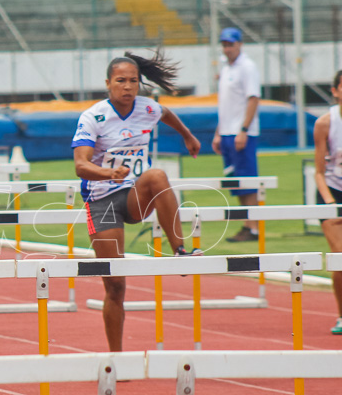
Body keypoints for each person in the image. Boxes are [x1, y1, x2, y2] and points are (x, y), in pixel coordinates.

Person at [71, 51, 203, 352]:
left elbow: (166, 113)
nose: (128, 87)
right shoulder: (94, 117)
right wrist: (108, 173)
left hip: (133, 196)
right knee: (115, 284)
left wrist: (187, 135)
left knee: (157, 175)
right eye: (121, 81)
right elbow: (80, 165)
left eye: (133, 81)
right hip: (101, 201)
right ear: (108, 83)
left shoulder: (147, 107)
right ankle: (116, 357)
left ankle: (181, 251)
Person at [212, 27, 261, 242]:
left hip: (242, 132)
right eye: (224, 44)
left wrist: (244, 129)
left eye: (230, 44)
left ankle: (254, 227)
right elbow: (225, 105)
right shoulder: (226, 68)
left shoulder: (247, 67)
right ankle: (246, 224)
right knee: (236, 181)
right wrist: (218, 133)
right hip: (227, 132)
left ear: (240, 44)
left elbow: (253, 98)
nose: (227, 48)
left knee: (247, 179)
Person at [311, 69, 342, 335]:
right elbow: (319, 172)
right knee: (340, 255)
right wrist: (331, 203)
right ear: (335, 91)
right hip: (332, 190)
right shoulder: (325, 123)